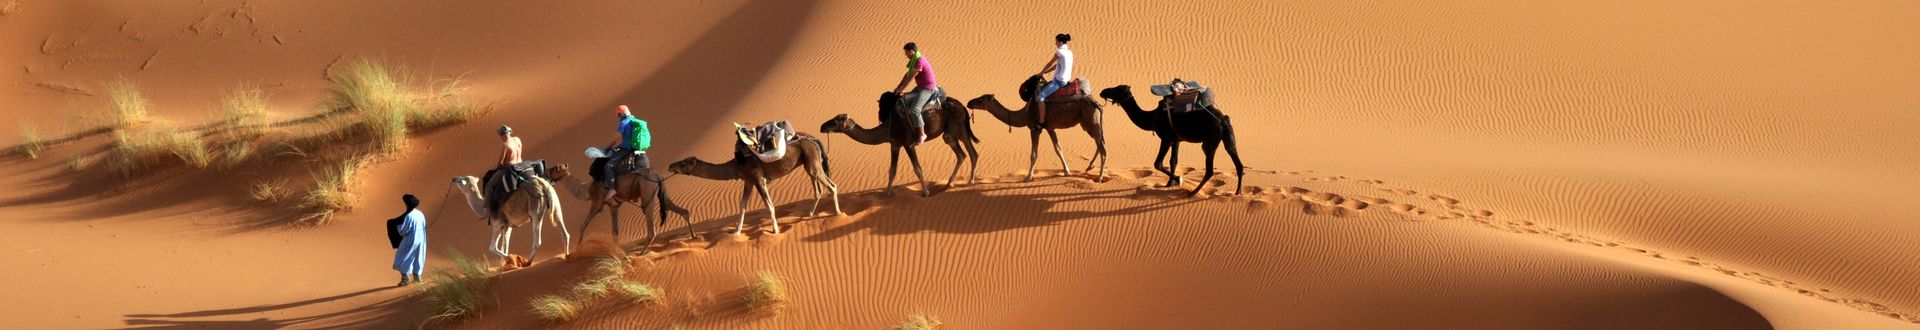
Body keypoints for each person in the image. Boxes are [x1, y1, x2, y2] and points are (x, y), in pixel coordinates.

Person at [892, 42, 940, 144]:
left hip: (928, 88)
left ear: (911, 52)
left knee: (914, 109)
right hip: (921, 87)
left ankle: (922, 134)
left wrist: (902, 89)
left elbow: (910, 78)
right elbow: (907, 75)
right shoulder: (913, 60)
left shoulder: (919, 60)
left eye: (906, 53)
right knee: (903, 101)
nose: (905, 55)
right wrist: (898, 87)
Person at [605, 105, 651, 201]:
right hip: (636, 148)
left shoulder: (623, 122)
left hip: (626, 148)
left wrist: (608, 147)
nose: (618, 117)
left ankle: (612, 188)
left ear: (621, 114)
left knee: (608, 166)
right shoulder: (635, 121)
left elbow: (616, 138)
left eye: (618, 115)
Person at [1032, 33, 1074, 127]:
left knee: (1040, 97)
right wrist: (1046, 72)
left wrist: (1041, 72)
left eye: (1056, 41)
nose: (1055, 43)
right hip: (1066, 79)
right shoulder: (1069, 52)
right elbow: (1057, 65)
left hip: (1059, 82)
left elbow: (1050, 63)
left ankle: (1041, 122)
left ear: (1060, 42)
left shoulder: (1059, 52)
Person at [391, 194, 427, 286]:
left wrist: (398, 227)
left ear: (407, 205)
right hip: (421, 239)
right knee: (418, 257)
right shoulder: (420, 214)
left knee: (402, 257)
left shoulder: (409, 216)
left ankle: (405, 278)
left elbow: (403, 231)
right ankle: (417, 277)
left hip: (410, 239)